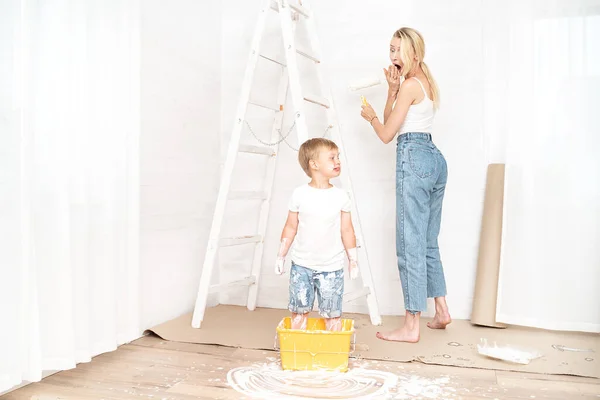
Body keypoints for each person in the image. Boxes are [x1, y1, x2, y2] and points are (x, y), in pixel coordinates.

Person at [360, 27, 451, 343]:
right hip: (433, 158)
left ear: (414, 52)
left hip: (413, 155)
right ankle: (441, 310)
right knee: (427, 241)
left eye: (397, 50)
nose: (392, 56)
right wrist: (390, 90)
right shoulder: (424, 79)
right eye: (390, 49)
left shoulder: (411, 85)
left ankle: (411, 326)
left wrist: (370, 116)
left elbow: (386, 133)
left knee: (409, 243)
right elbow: (394, 118)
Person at [274, 138, 359, 331]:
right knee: (299, 314)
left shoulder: (341, 196)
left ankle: (331, 355)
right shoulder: (299, 194)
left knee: (332, 316)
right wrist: (281, 255)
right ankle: (298, 352)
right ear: (314, 164)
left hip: (331, 268)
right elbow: (290, 227)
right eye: (331, 158)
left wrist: (353, 259)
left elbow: (347, 230)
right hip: (301, 267)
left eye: (338, 157)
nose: (338, 161)